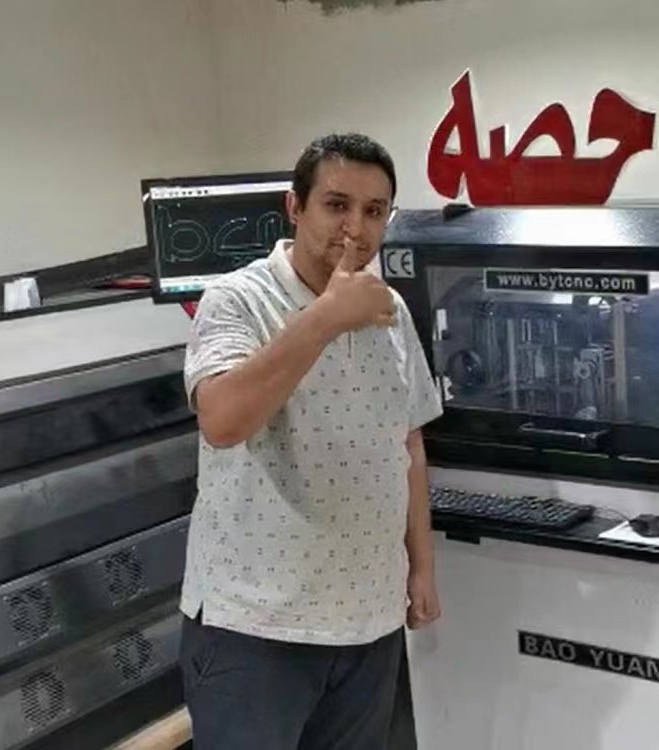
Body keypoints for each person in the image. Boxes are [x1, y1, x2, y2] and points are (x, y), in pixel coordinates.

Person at [177, 132, 443, 750]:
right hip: (257, 627)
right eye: (337, 204)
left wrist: (422, 568)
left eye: (374, 211)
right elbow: (222, 421)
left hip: (367, 619)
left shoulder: (391, 310)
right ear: (295, 207)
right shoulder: (238, 300)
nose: (356, 228)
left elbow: (407, 444)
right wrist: (325, 317)